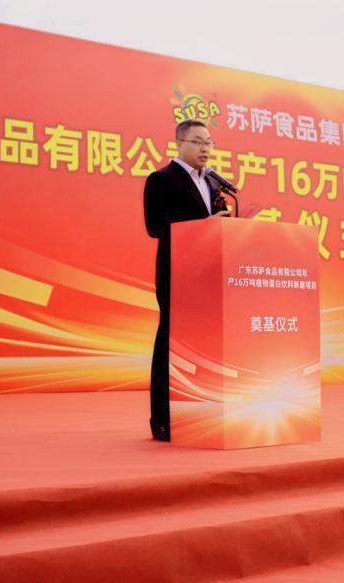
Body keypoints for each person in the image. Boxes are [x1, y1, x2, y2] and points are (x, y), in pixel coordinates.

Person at [143, 119, 230, 441]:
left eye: (209, 142)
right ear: (180, 143)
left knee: (205, 346)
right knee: (171, 343)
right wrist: (205, 223)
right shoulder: (161, 180)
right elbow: (155, 226)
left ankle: (199, 414)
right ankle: (163, 420)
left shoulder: (214, 184)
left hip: (209, 276)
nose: (206, 148)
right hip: (177, 273)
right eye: (198, 142)